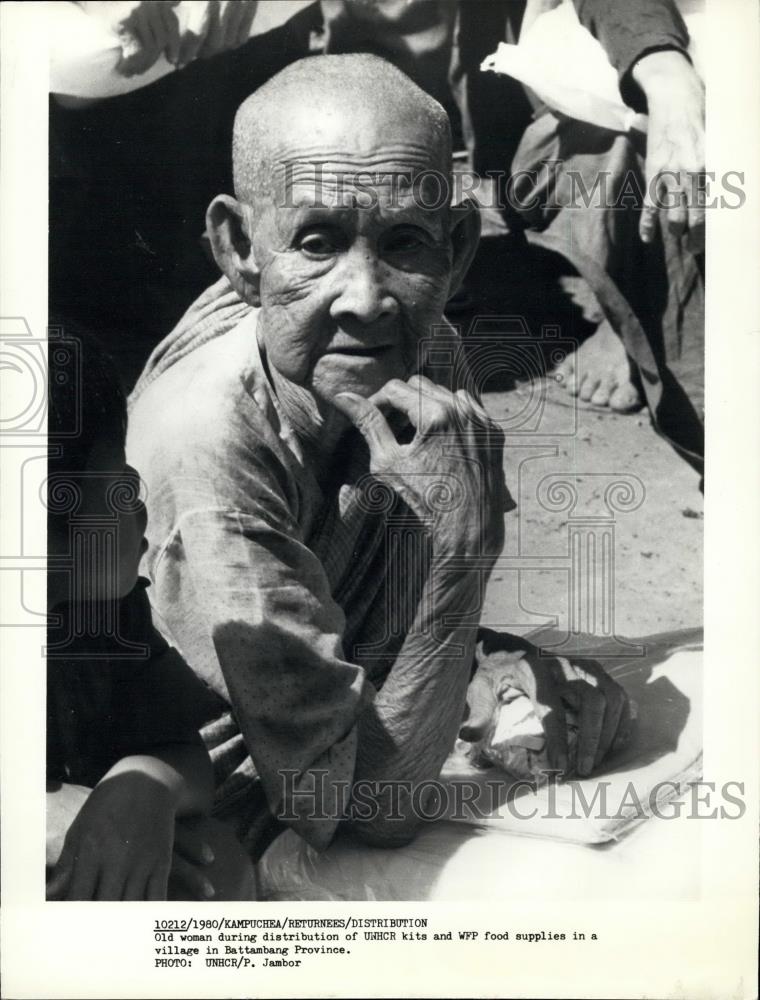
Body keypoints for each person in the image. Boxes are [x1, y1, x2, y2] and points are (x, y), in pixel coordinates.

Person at [128, 54, 632, 856]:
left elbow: (400, 621)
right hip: (189, 784)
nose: (366, 297)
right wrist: (464, 556)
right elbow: (370, 809)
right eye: (317, 242)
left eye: (405, 242)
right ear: (238, 248)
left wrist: (496, 658)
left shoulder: (414, 344)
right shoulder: (209, 445)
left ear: (458, 246)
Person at [46, 324, 255, 900]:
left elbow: (183, 750)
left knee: (221, 870)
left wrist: (146, 787)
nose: (140, 495)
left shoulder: (108, 618)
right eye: (117, 481)